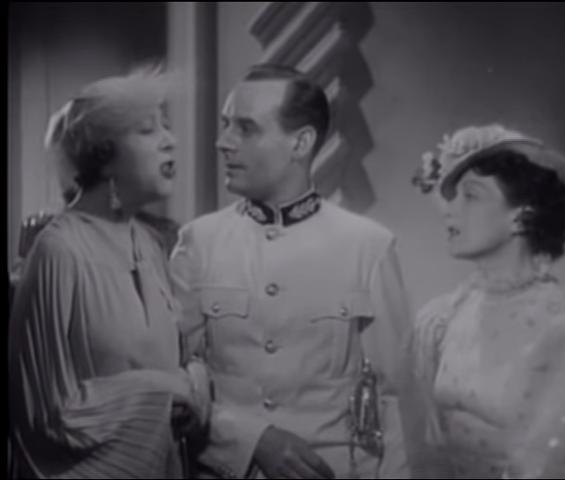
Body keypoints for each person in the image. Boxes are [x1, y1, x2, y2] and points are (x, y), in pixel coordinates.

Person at [170, 64, 416, 479]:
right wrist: (252, 440)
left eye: (246, 128)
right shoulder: (198, 242)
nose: (223, 142)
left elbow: (396, 403)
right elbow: (171, 384)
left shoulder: (368, 247)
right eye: (226, 125)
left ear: (300, 143)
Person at [8, 68, 212, 478]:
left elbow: (179, 356)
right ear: (103, 154)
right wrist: (164, 388)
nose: (169, 141)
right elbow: (45, 414)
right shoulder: (59, 250)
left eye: (166, 126)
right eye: (147, 130)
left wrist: (195, 382)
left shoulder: (150, 245)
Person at [408, 124, 565, 478]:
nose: (449, 211)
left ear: (521, 215)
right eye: (452, 197)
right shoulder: (445, 318)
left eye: (471, 196)